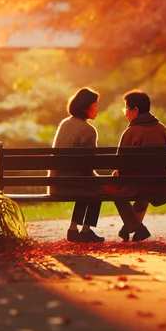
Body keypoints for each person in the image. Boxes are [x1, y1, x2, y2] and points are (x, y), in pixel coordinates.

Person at [113, 89, 166, 242]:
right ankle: (130, 227)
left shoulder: (131, 132)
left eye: (126, 108)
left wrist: (117, 176)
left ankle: (136, 227)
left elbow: (121, 163)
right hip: (162, 184)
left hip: (139, 184)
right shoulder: (161, 129)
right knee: (144, 190)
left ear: (135, 110)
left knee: (114, 191)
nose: (125, 112)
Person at [51, 87, 105, 243]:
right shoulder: (88, 131)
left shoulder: (64, 124)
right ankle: (86, 230)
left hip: (56, 183)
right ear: (85, 107)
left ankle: (73, 228)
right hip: (72, 184)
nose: (97, 109)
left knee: (88, 183)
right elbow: (88, 165)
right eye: (95, 105)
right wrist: (98, 178)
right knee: (97, 188)